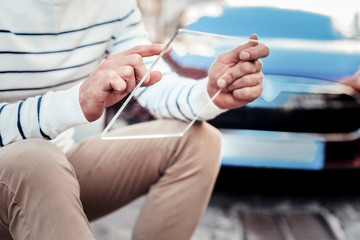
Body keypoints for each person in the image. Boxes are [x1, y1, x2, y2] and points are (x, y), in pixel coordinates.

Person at [0, 0, 269, 239]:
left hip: (58, 166)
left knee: (200, 142)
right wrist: (75, 102)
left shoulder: (114, 5)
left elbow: (148, 79)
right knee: (38, 160)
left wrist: (210, 92)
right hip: (31, 166)